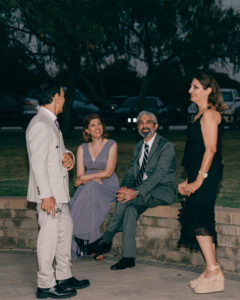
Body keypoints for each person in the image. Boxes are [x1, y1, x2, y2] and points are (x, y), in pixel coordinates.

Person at [87, 111, 176, 270]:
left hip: (161, 190)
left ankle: (106, 239)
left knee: (124, 199)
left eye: (148, 122)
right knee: (130, 210)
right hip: (142, 191)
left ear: (155, 126)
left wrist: (134, 192)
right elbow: (130, 172)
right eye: (141, 123)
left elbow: (158, 175)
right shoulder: (138, 146)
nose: (144, 126)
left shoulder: (165, 146)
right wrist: (125, 188)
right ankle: (128, 257)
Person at [26, 83, 90, 299]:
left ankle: (63, 275)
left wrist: (69, 156)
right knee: (49, 238)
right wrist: (46, 196)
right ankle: (45, 284)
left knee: (64, 233)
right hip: (50, 195)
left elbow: (57, 151)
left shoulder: (51, 123)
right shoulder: (40, 125)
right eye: (63, 96)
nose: (65, 99)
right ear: (55, 97)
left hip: (59, 193)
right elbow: (37, 164)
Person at [177, 72, 226, 294]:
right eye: (190, 86)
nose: (191, 90)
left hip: (207, 174)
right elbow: (195, 152)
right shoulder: (198, 116)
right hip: (199, 173)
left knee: (199, 218)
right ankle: (210, 271)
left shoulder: (210, 115)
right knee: (200, 218)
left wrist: (199, 180)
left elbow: (211, 149)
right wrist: (188, 179)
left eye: (196, 87)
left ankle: (214, 271)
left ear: (208, 90)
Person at [69, 114, 119, 260]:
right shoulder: (82, 148)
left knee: (88, 190)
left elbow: (108, 172)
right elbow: (79, 176)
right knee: (88, 191)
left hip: (107, 183)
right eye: (93, 125)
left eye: (99, 124)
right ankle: (93, 243)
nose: (97, 127)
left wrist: (86, 178)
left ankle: (76, 237)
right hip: (90, 184)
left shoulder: (111, 144)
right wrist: (82, 180)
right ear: (86, 131)